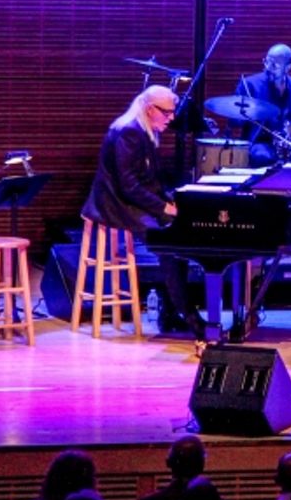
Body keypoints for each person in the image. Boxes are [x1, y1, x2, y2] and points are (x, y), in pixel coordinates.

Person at [81, 85, 203, 339]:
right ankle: (186, 315)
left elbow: (148, 181)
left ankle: (172, 311)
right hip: (116, 204)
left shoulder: (142, 131)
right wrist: (162, 206)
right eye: (167, 113)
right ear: (150, 109)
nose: (171, 118)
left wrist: (173, 199)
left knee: (176, 235)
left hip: (130, 198)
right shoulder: (129, 133)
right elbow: (129, 186)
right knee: (169, 238)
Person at [235, 44, 291, 166]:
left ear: (288, 67)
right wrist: (246, 113)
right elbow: (234, 121)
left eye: (275, 65)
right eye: (267, 62)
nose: (268, 68)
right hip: (261, 142)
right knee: (263, 157)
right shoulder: (250, 85)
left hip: (289, 143)